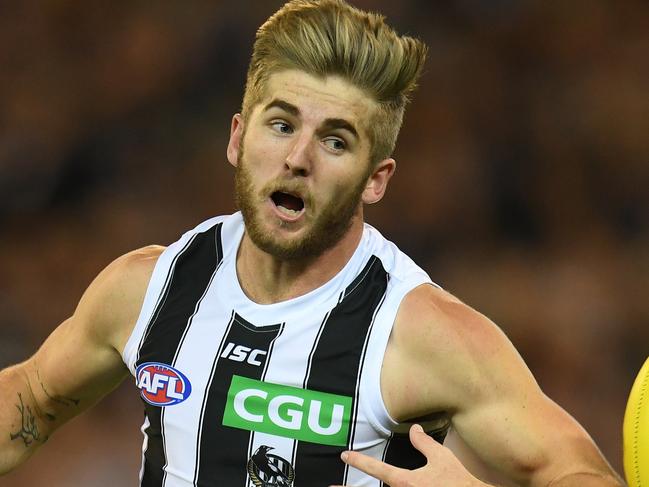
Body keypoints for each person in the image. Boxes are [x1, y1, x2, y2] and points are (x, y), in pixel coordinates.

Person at [0, 1, 625, 486]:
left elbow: (585, 474)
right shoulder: (149, 289)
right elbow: (33, 397)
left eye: (335, 141)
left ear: (376, 180)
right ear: (237, 139)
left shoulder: (424, 335)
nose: (297, 158)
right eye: (281, 125)